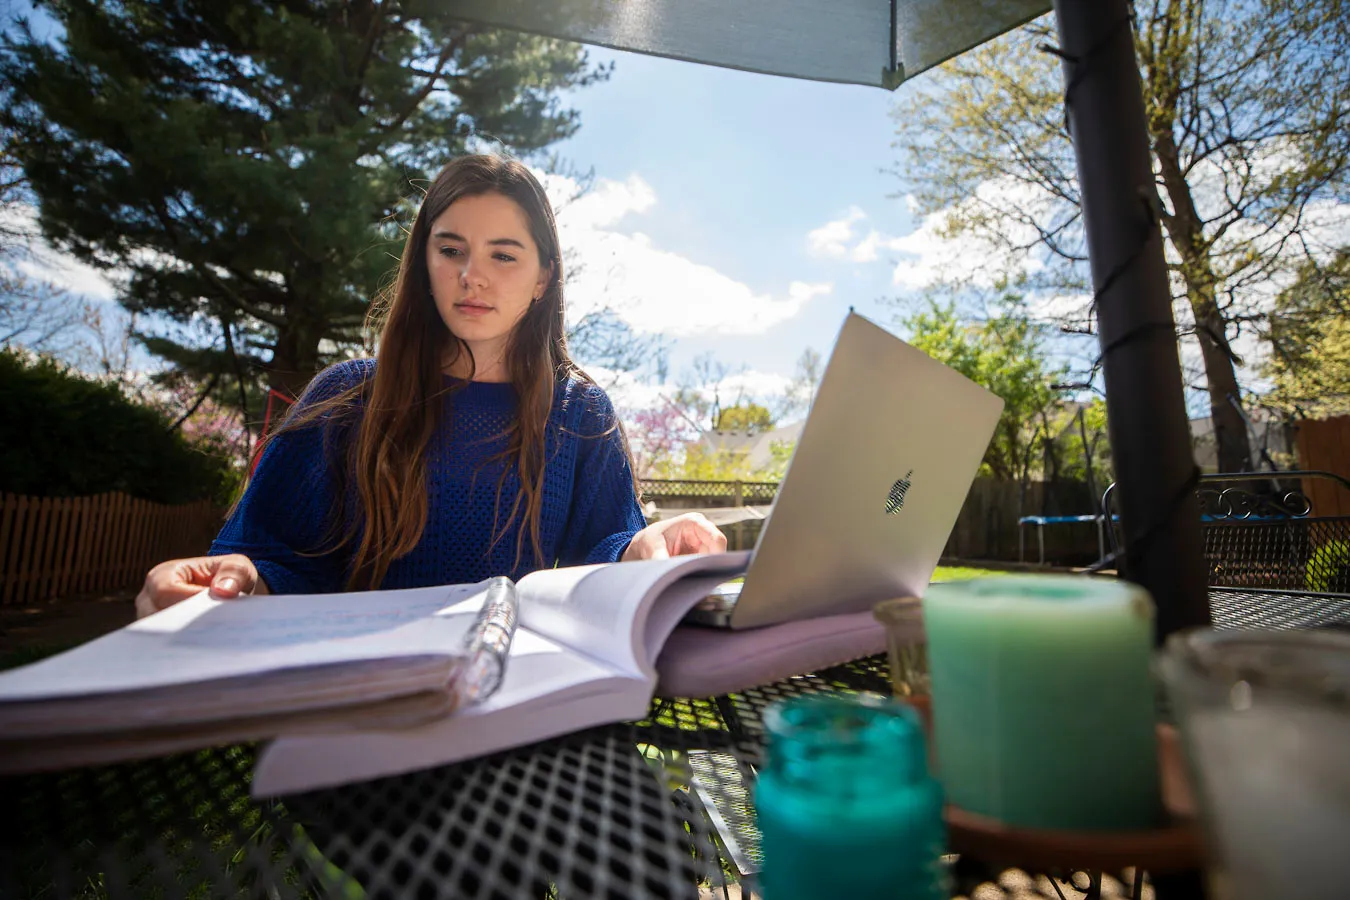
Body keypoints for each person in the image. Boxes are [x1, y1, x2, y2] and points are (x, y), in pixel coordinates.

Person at [135, 155, 725, 619]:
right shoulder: (343, 400)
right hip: (354, 715)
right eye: (451, 250)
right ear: (423, 261)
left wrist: (647, 546)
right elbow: (271, 559)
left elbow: (604, 547)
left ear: (544, 277)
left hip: (518, 721)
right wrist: (234, 579)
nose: (473, 275)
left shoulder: (579, 413)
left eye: (504, 255)